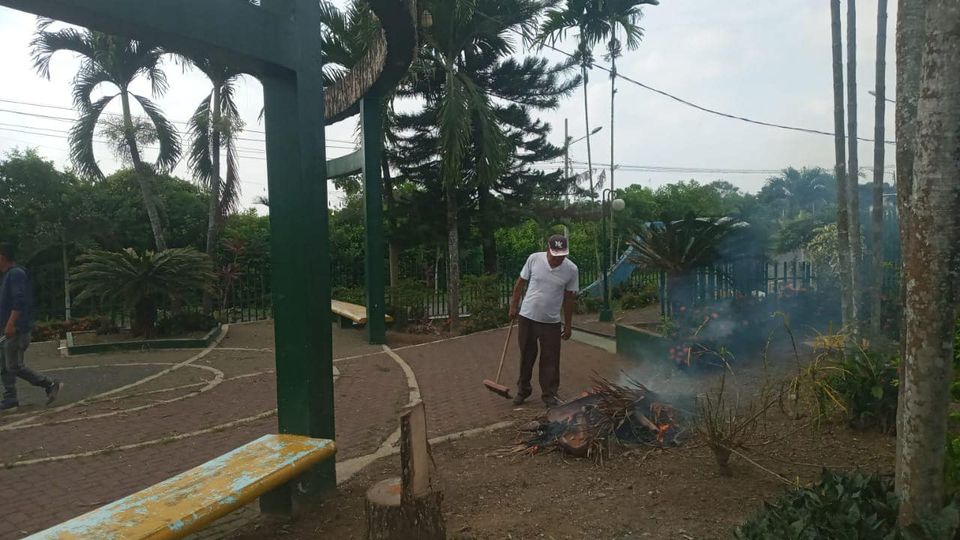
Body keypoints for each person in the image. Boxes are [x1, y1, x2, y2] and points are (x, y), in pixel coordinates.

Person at [507, 234, 578, 408]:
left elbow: (569, 299)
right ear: (548, 249)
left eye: (562, 255)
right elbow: (520, 283)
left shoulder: (571, 269)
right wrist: (513, 306)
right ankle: (523, 390)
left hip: (551, 322)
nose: (559, 259)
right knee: (526, 355)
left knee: (550, 359)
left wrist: (568, 325)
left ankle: (549, 395)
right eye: (555, 255)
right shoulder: (534, 259)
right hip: (527, 316)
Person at [0, 243, 62, 412]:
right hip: (7, 328)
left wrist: (11, 323)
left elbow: (19, 300)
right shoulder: (7, 276)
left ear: (2, 257)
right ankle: (10, 398)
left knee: (14, 365)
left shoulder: (16, 274)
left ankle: (49, 383)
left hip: (17, 329)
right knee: (4, 365)